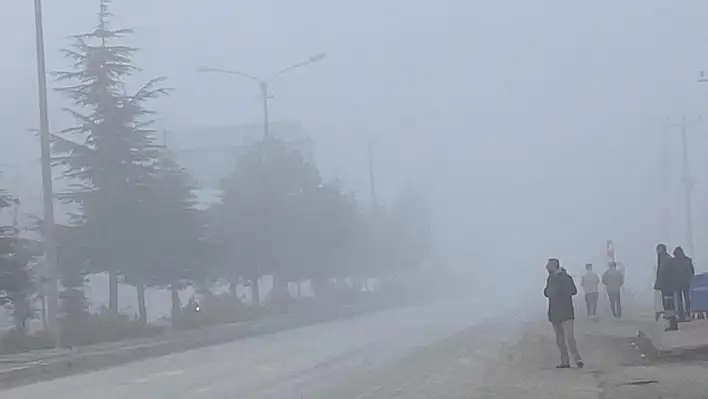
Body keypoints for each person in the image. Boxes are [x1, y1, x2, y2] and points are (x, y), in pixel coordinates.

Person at [544, 258, 584, 369]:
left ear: (555, 266)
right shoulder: (550, 279)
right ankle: (564, 361)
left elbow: (573, 291)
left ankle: (577, 359)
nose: (546, 267)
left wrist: (560, 290)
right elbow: (546, 292)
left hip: (566, 312)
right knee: (559, 339)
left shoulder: (566, 278)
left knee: (569, 337)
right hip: (554, 312)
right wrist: (548, 292)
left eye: (549, 265)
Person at [655, 244, 679, 331]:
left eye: (658, 250)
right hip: (665, 286)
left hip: (667, 286)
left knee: (669, 305)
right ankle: (671, 323)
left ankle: (673, 324)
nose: (657, 252)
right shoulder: (663, 259)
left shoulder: (666, 259)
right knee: (667, 305)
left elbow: (663, 274)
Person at [673, 246, 695, 321]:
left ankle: (683, 315)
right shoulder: (687, 260)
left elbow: (691, 271)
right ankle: (684, 315)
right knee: (683, 300)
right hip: (681, 283)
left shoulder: (675, 261)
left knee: (683, 300)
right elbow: (692, 271)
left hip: (681, 283)